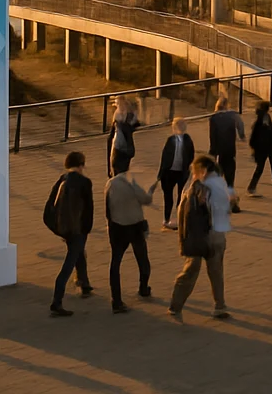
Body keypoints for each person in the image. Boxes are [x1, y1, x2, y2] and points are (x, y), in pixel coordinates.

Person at [168, 156, 232, 321]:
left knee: (201, 271)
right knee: (206, 270)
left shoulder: (206, 187)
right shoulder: (195, 189)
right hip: (205, 237)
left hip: (206, 237)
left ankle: (217, 305)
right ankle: (217, 306)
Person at [48, 150, 95, 316]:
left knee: (79, 253)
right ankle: (56, 301)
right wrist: (86, 229)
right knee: (69, 263)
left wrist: (57, 228)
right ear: (81, 165)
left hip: (65, 228)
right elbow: (89, 209)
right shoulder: (85, 182)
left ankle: (84, 283)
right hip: (78, 229)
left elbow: (50, 207)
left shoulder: (62, 180)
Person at [103, 165, 154, 314]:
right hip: (135, 227)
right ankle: (143, 288)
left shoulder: (110, 183)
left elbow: (107, 206)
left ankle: (116, 300)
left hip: (117, 227)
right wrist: (151, 190)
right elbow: (146, 199)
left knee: (115, 262)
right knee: (142, 259)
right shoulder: (131, 183)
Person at [208, 95, 245, 211]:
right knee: (230, 179)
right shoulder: (232, 115)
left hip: (219, 152)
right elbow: (241, 125)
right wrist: (242, 135)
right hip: (230, 150)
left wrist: (212, 152)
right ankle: (232, 203)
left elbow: (212, 136)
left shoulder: (213, 118)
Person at [156, 118, 195, 230]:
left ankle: (178, 219)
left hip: (181, 172)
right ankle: (168, 219)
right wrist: (161, 174)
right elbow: (164, 158)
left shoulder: (187, 140)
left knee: (180, 197)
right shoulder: (171, 140)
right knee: (169, 197)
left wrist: (189, 169)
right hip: (169, 172)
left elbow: (191, 156)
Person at [246, 101, 272, 196]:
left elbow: (253, 135)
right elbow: (267, 131)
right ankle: (252, 187)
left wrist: (253, 146)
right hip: (266, 146)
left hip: (264, 147)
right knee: (268, 164)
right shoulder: (263, 119)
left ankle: (252, 186)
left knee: (262, 167)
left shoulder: (262, 118)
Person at [109, 96, 141, 177]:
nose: (119, 106)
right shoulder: (119, 114)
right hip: (121, 146)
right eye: (118, 104)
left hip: (122, 147)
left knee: (120, 169)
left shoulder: (128, 116)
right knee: (119, 169)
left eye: (119, 104)